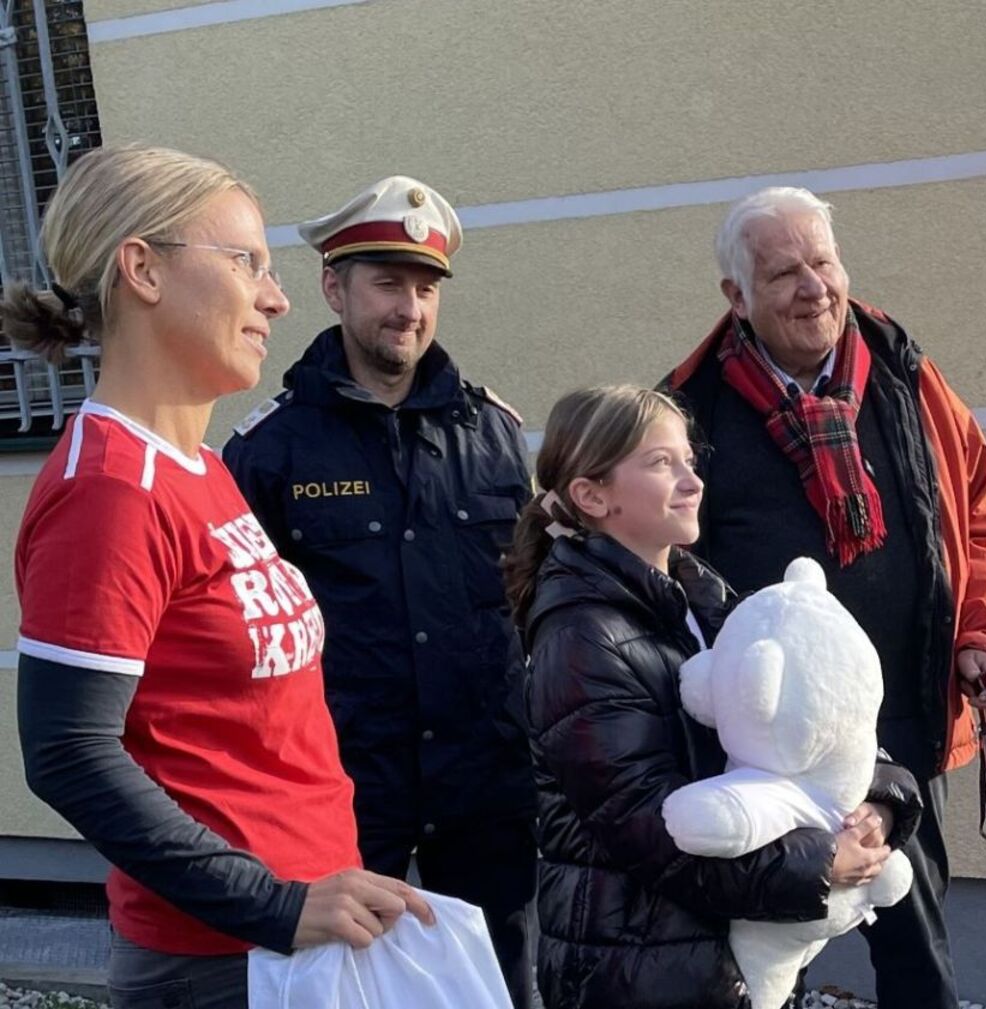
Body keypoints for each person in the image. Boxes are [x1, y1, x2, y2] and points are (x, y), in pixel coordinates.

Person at [7, 144, 433, 1009]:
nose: (275, 297)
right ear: (143, 270)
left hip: (297, 936)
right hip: (220, 963)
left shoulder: (200, 467)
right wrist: (274, 902)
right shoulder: (109, 488)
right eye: (247, 263)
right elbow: (68, 751)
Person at [663, 186, 986, 1007]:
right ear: (737, 296)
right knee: (763, 953)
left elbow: (980, 511)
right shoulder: (693, 407)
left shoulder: (905, 374)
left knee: (915, 940)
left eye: (822, 261)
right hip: (764, 743)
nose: (813, 287)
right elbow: (673, 565)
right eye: (783, 271)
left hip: (903, 715)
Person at [221, 176, 537, 1006]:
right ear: (333, 287)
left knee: (501, 987)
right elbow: (241, 643)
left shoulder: (495, 434)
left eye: (426, 288)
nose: (410, 308)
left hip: (484, 788)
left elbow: (528, 601)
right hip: (348, 790)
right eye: (388, 283)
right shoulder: (270, 451)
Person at [505, 384, 923, 1008]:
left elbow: (822, 716)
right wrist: (818, 864)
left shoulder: (705, 598)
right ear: (593, 496)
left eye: (688, 460)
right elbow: (650, 829)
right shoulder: (582, 638)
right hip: (638, 970)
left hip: (722, 957)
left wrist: (877, 800)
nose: (691, 480)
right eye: (659, 463)